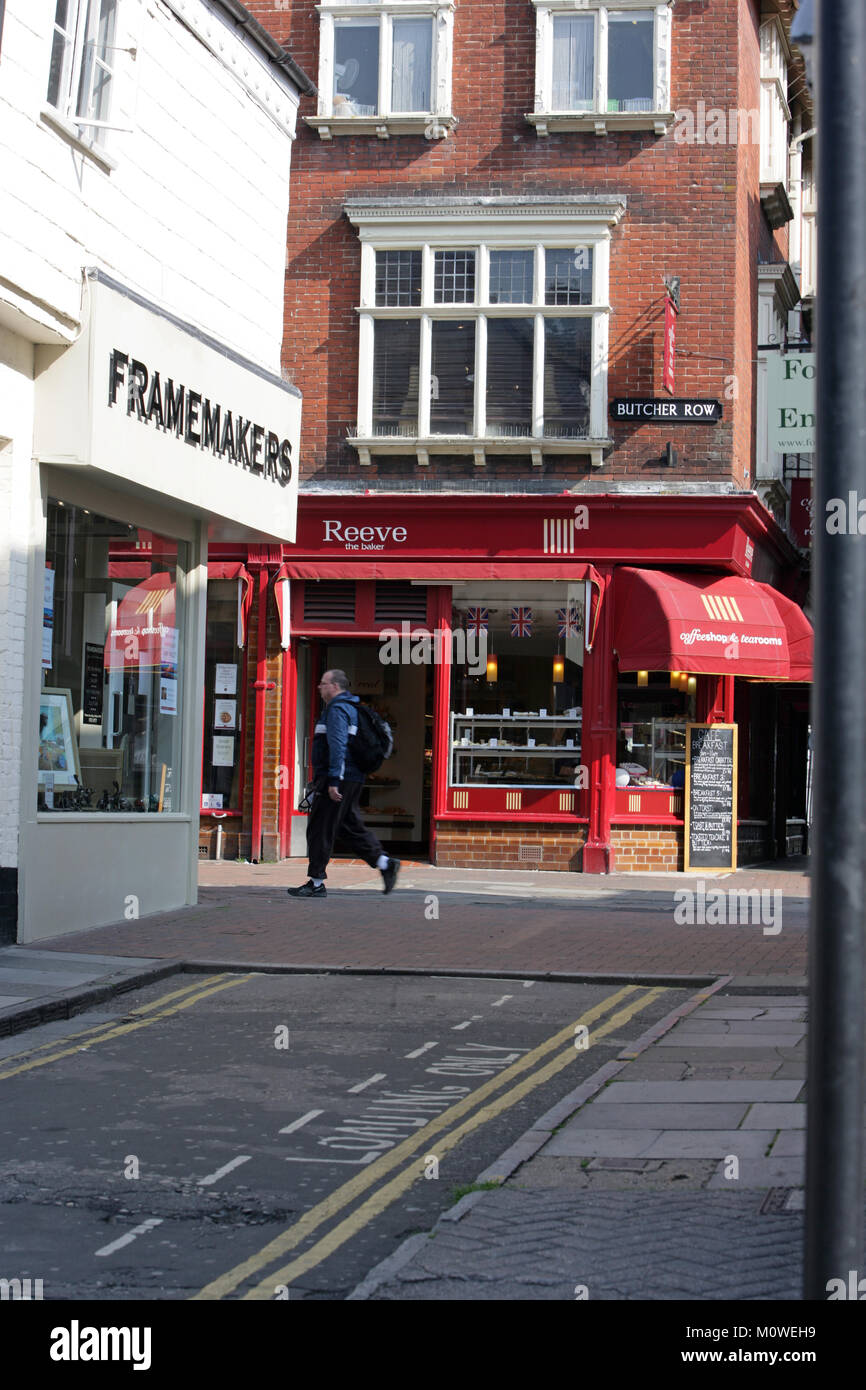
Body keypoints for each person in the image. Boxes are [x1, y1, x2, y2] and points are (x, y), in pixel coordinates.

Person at [288, 669, 400, 899]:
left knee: (320, 827)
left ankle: (316, 883)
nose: (319, 687)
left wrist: (333, 781)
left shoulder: (337, 709)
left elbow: (338, 745)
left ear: (336, 686)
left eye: (323, 683)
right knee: (349, 826)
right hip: (352, 777)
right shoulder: (351, 708)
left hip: (339, 779)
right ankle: (385, 862)